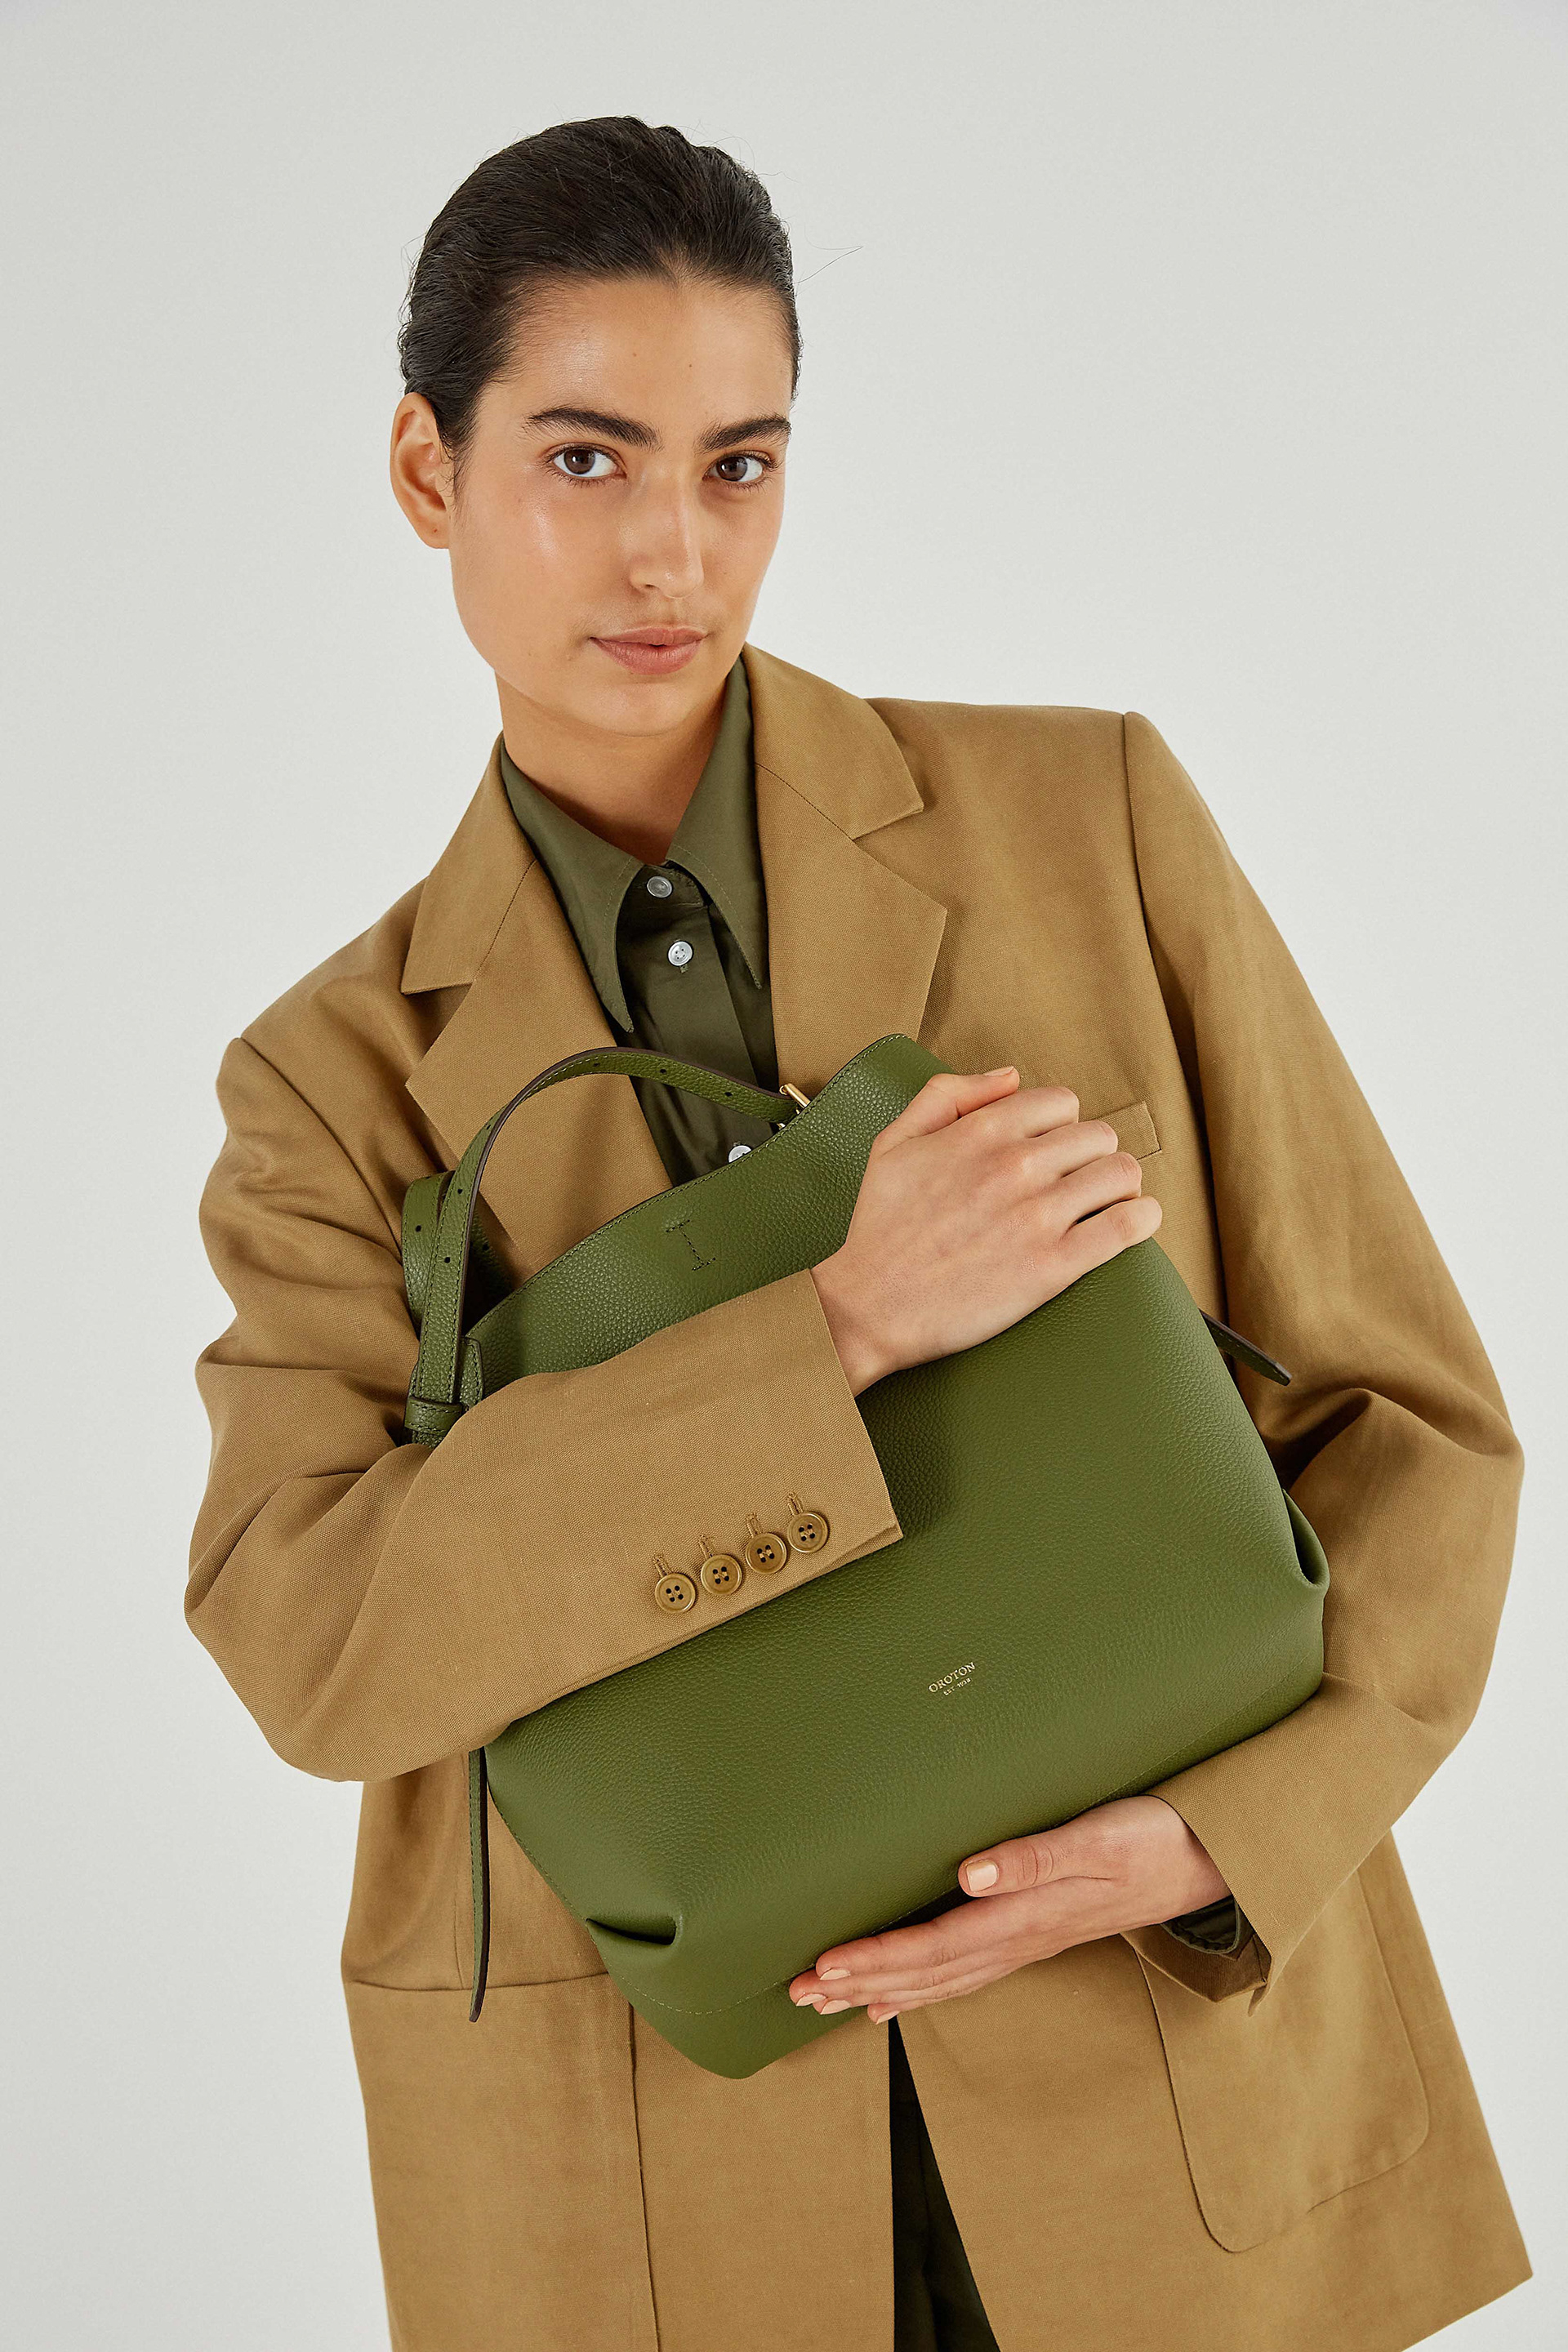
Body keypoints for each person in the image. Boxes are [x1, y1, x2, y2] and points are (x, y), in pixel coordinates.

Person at [186, 116, 1530, 2352]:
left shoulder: (1088, 821)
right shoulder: (336, 1079)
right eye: (587, 460)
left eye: (739, 466)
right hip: (641, 2163)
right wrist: (835, 1329)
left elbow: (1420, 1424)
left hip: (1163, 2070)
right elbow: (310, 1629)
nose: (673, 554)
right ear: (429, 470)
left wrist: (1231, 1834)